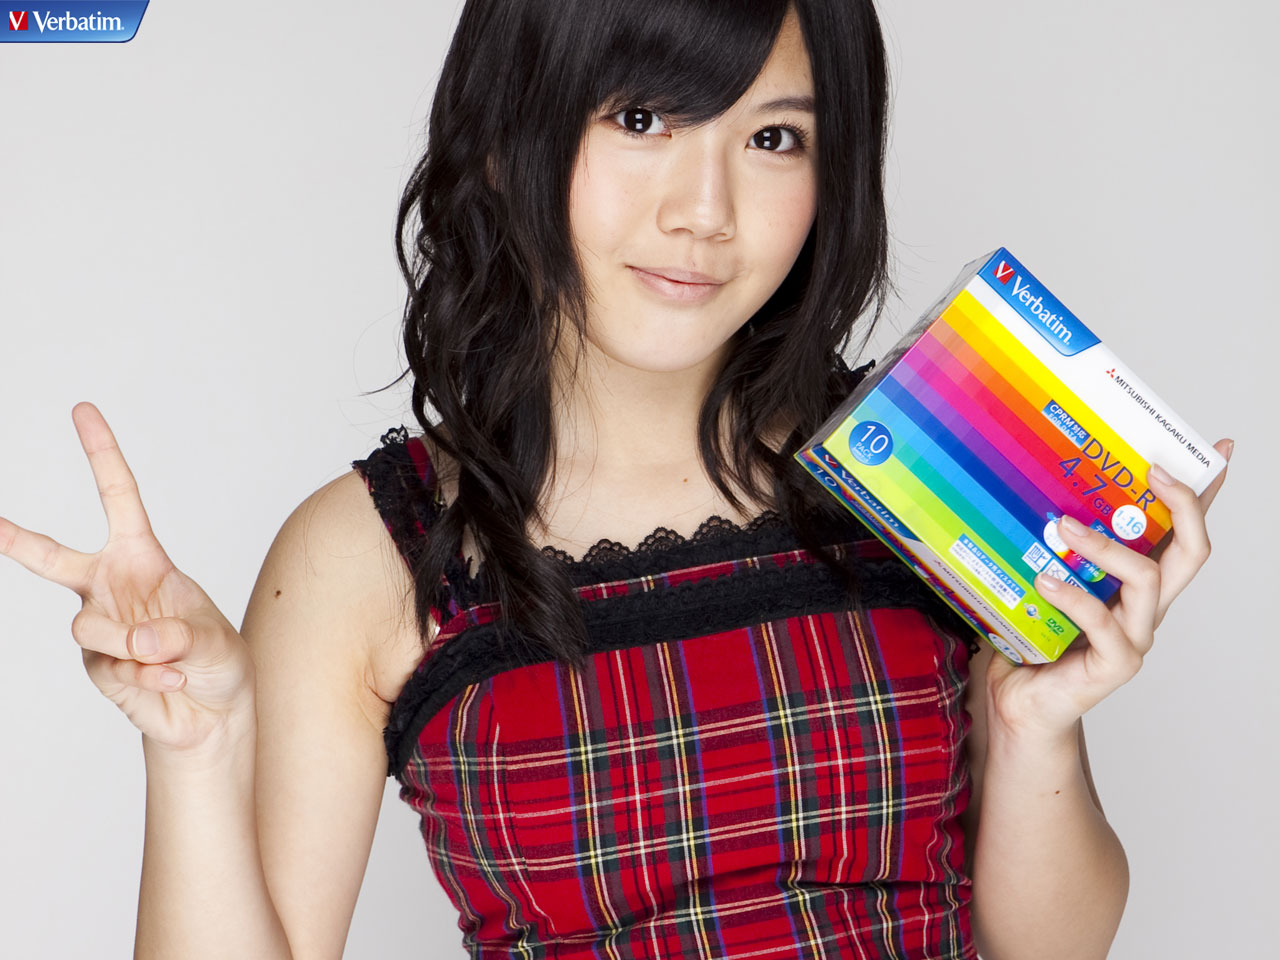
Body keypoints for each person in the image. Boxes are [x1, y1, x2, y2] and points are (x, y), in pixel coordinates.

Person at [0, 1, 1232, 958]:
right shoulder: (371, 552)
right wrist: (200, 749)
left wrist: (1030, 722)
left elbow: (1048, 947)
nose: (704, 210)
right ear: (505, 138)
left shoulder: (928, 462)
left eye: (772, 138)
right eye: (641, 118)